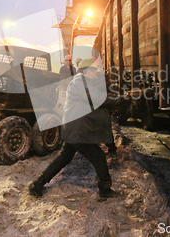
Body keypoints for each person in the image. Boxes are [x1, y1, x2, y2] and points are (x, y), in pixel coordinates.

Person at [28, 59, 126, 201]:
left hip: (73, 128)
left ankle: (38, 183)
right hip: (77, 130)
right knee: (98, 157)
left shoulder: (82, 82)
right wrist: (122, 99)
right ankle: (105, 190)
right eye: (93, 71)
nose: (95, 74)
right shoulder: (79, 82)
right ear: (87, 70)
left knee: (64, 158)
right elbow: (98, 99)